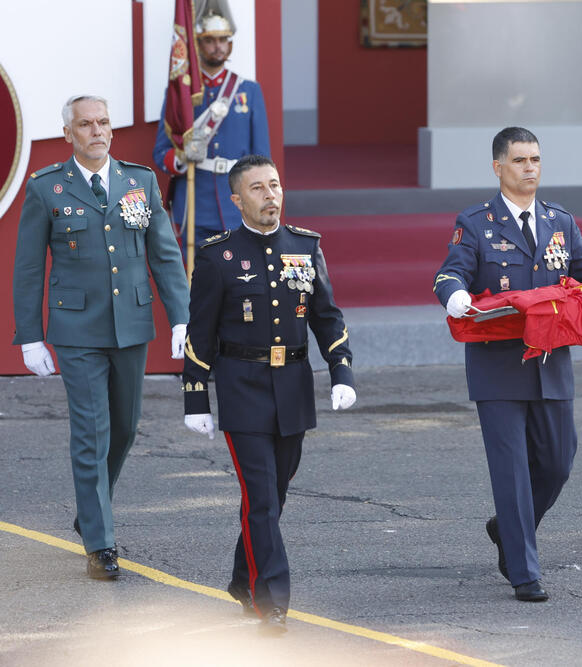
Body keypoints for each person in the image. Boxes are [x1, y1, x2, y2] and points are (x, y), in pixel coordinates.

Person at [433, 127, 582, 602]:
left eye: (535, 159)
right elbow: (451, 269)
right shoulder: (475, 221)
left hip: (551, 363)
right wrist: (454, 293)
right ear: (499, 167)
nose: (530, 168)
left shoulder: (559, 220)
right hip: (499, 367)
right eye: (520, 160)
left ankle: (508, 528)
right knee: (512, 471)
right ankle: (524, 572)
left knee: (558, 462)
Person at [12, 95, 189, 579]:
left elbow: (165, 255)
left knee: (126, 428)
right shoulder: (47, 188)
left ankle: (90, 513)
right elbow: (29, 268)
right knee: (92, 431)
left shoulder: (141, 181)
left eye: (104, 122)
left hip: (131, 324)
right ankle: (101, 545)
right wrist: (30, 336)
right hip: (75, 328)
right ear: (68, 133)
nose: (97, 131)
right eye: (85, 124)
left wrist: (181, 318)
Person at [182, 154, 356, 634]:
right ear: (238, 199)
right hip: (243, 389)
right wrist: (196, 397)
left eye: (275, 185)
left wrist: (341, 372)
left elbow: (327, 316)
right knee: (259, 499)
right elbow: (201, 332)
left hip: (294, 388)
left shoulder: (306, 245)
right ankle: (272, 601)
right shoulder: (218, 255)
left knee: (272, 499)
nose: (270, 196)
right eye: (258, 188)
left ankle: (243, 580)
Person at [153, 5, 270, 252]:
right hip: (195, 202)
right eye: (210, 41)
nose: (218, 46)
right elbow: (161, 152)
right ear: (197, 44)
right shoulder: (182, 95)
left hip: (237, 202)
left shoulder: (248, 91)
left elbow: (261, 159)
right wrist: (183, 157)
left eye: (223, 40)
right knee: (197, 281)